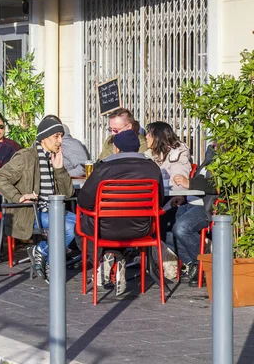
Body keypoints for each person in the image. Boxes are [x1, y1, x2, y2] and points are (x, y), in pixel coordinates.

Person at [77, 130, 164, 295]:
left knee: (81, 226)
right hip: (142, 229)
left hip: (104, 228)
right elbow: (159, 200)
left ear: (116, 148)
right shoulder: (153, 169)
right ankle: (114, 257)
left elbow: (84, 201)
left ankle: (103, 263)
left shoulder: (103, 168)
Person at [0, 116, 75, 283]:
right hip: (30, 213)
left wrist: (60, 170)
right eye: (56, 136)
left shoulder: (54, 157)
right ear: (44, 137)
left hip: (52, 210)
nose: (60, 141)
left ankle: (42, 249)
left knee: (86, 224)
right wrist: (18, 197)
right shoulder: (26, 157)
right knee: (69, 227)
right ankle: (53, 268)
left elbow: (67, 194)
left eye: (61, 136)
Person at [166, 145, 218, 286]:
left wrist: (190, 183)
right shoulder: (211, 155)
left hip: (209, 207)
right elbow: (201, 179)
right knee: (159, 224)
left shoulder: (230, 158)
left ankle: (202, 266)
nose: (215, 143)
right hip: (193, 202)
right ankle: (193, 263)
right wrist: (184, 196)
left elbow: (219, 185)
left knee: (181, 228)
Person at [144, 121, 192, 189]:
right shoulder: (151, 154)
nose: (146, 137)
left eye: (149, 134)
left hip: (170, 196)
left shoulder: (177, 154)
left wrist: (179, 196)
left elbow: (178, 180)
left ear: (158, 136)